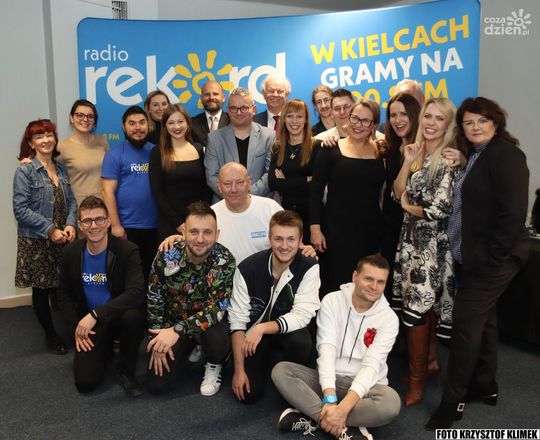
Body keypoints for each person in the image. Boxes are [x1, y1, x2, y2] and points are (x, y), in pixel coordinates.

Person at [426, 97, 529, 429]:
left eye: (482, 121)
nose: (475, 127)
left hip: (493, 261)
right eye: (468, 122)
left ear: (495, 122)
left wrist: (491, 259)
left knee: (465, 328)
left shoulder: (507, 155)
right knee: (484, 323)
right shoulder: (476, 155)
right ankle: (486, 385)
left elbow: (513, 214)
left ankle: (452, 402)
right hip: (471, 257)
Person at [272, 254, 400, 440]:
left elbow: (372, 366)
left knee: (390, 404)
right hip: (329, 382)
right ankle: (343, 428)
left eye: (380, 282)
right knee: (281, 371)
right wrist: (331, 399)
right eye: (368, 278)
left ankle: (316, 418)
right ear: (355, 276)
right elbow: (326, 351)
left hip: (366, 389)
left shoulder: (389, 319)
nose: (374, 286)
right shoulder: (331, 301)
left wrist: (343, 408)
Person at [391, 98, 458, 407]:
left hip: (431, 249)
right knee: (421, 308)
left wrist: (409, 207)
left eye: (439, 118)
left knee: (418, 311)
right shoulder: (418, 153)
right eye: (428, 116)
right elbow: (397, 192)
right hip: (409, 244)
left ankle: (417, 379)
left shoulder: (448, 159)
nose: (431, 122)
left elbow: (439, 209)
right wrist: (407, 160)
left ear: (448, 125)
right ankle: (430, 362)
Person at [56, 196, 146, 396]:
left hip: (116, 317)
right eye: (87, 221)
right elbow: (63, 294)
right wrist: (76, 328)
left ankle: (126, 371)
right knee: (85, 383)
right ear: (80, 225)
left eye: (99, 219)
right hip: (90, 325)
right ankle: (104, 349)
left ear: (108, 221)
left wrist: (95, 315)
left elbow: (136, 292)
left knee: (133, 317)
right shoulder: (70, 253)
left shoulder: (127, 250)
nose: (94, 226)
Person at [228, 210, 320, 403]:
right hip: (253, 337)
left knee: (301, 341)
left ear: (300, 240)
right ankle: (265, 360)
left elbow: (302, 315)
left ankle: (290, 373)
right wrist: (239, 370)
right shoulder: (248, 268)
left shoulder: (309, 267)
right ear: (269, 239)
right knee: (248, 395)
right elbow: (237, 321)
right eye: (278, 239)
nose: (284, 246)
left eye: (291, 239)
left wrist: (262, 328)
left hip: (285, 332)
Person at [145, 202, 236, 397]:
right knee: (157, 386)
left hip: (205, 327)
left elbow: (216, 310)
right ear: (184, 231)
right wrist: (157, 339)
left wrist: (177, 330)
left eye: (207, 232)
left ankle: (214, 362)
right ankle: (194, 345)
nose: (200, 239)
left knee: (217, 339)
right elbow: (155, 298)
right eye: (194, 232)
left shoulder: (225, 260)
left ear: (217, 234)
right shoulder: (167, 254)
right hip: (173, 326)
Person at [13, 119, 77, 354]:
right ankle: (51, 336)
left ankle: (71, 329)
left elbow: (71, 201)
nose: (46, 140)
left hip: (63, 239)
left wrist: (70, 224)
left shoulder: (61, 169)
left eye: (49, 134)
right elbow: (20, 210)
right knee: (41, 291)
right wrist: (50, 229)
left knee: (63, 288)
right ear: (31, 143)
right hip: (38, 241)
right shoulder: (25, 170)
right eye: (39, 136)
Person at [310, 100, 385, 295]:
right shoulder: (330, 148)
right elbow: (315, 191)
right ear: (348, 119)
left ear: (374, 125)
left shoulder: (381, 151)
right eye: (355, 118)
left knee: (366, 285)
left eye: (366, 121)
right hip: (336, 233)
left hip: (370, 232)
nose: (359, 125)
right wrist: (315, 229)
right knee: (337, 286)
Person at [101, 105, 157, 282]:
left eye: (141, 122)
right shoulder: (114, 154)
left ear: (148, 125)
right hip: (127, 227)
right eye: (132, 123)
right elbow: (107, 191)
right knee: (128, 277)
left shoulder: (156, 152)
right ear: (123, 127)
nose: (137, 127)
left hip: (155, 226)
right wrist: (116, 225)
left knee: (152, 276)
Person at [380, 93, 421, 299]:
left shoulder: (424, 148)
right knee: (390, 288)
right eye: (393, 115)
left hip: (414, 232)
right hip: (390, 229)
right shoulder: (390, 149)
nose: (398, 120)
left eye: (403, 114)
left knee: (413, 289)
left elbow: (400, 192)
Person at [149, 104, 210, 242]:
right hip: (170, 223)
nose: (176, 126)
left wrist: (202, 215)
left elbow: (205, 187)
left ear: (188, 123)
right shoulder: (158, 152)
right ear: (165, 126)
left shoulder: (198, 148)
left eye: (180, 121)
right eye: (171, 123)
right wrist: (178, 223)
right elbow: (157, 191)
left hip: (197, 220)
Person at [205, 87, 275, 201]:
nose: (238, 113)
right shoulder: (214, 138)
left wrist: (247, 197)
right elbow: (211, 176)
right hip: (225, 204)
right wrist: (233, 196)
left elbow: (270, 174)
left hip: (261, 203)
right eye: (233, 108)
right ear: (228, 110)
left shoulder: (269, 136)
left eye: (244, 108)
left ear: (254, 109)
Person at [269, 99, 322, 244]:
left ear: (306, 120)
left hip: (311, 218)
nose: (294, 121)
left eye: (299, 116)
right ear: (284, 119)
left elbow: (316, 186)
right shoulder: (277, 147)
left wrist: (285, 183)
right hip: (285, 218)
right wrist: (305, 179)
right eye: (290, 116)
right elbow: (273, 183)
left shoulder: (317, 147)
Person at [57, 99, 109, 207]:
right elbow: (47, 169)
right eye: (80, 115)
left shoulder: (102, 141)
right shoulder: (62, 147)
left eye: (90, 116)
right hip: (79, 207)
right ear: (71, 118)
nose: (85, 119)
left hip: (103, 205)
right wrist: (29, 161)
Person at [191, 80, 230, 146]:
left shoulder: (233, 121)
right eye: (207, 94)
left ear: (223, 98)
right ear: (201, 98)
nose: (211, 97)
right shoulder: (192, 124)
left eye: (215, 94)